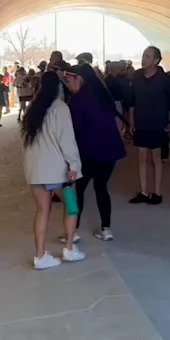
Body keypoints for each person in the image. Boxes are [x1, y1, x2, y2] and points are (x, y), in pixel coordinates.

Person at [21, 71, 86, 269]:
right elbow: (66, 139)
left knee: (42, 210)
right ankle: (69, 248)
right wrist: (74, 165)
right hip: (56, 170)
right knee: (71, 205)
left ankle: (40, 256)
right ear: (59, 88)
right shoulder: (60, 108)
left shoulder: (33, 108)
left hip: (35, 169)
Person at [64, 64, 126, 242]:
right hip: (110, 151)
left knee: (78, 190)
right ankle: (106, 229)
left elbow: (74, 130)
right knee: (101, 188)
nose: (68, 85)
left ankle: (73, 231)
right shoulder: (103, 95)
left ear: (79, 79)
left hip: (89, 151)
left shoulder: (77, 100)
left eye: (69, 81)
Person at [129, 46, 170, 204]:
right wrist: (131, 121)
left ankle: (157, 192)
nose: (144, 59)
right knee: (141, 157)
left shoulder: (164, 79)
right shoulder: (137, 76)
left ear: (156, 60)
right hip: (140, 122)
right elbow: (132, 101)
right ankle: (143, 191)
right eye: (143, 55)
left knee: (156, 157)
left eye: (148, 56)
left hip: (158, 123)